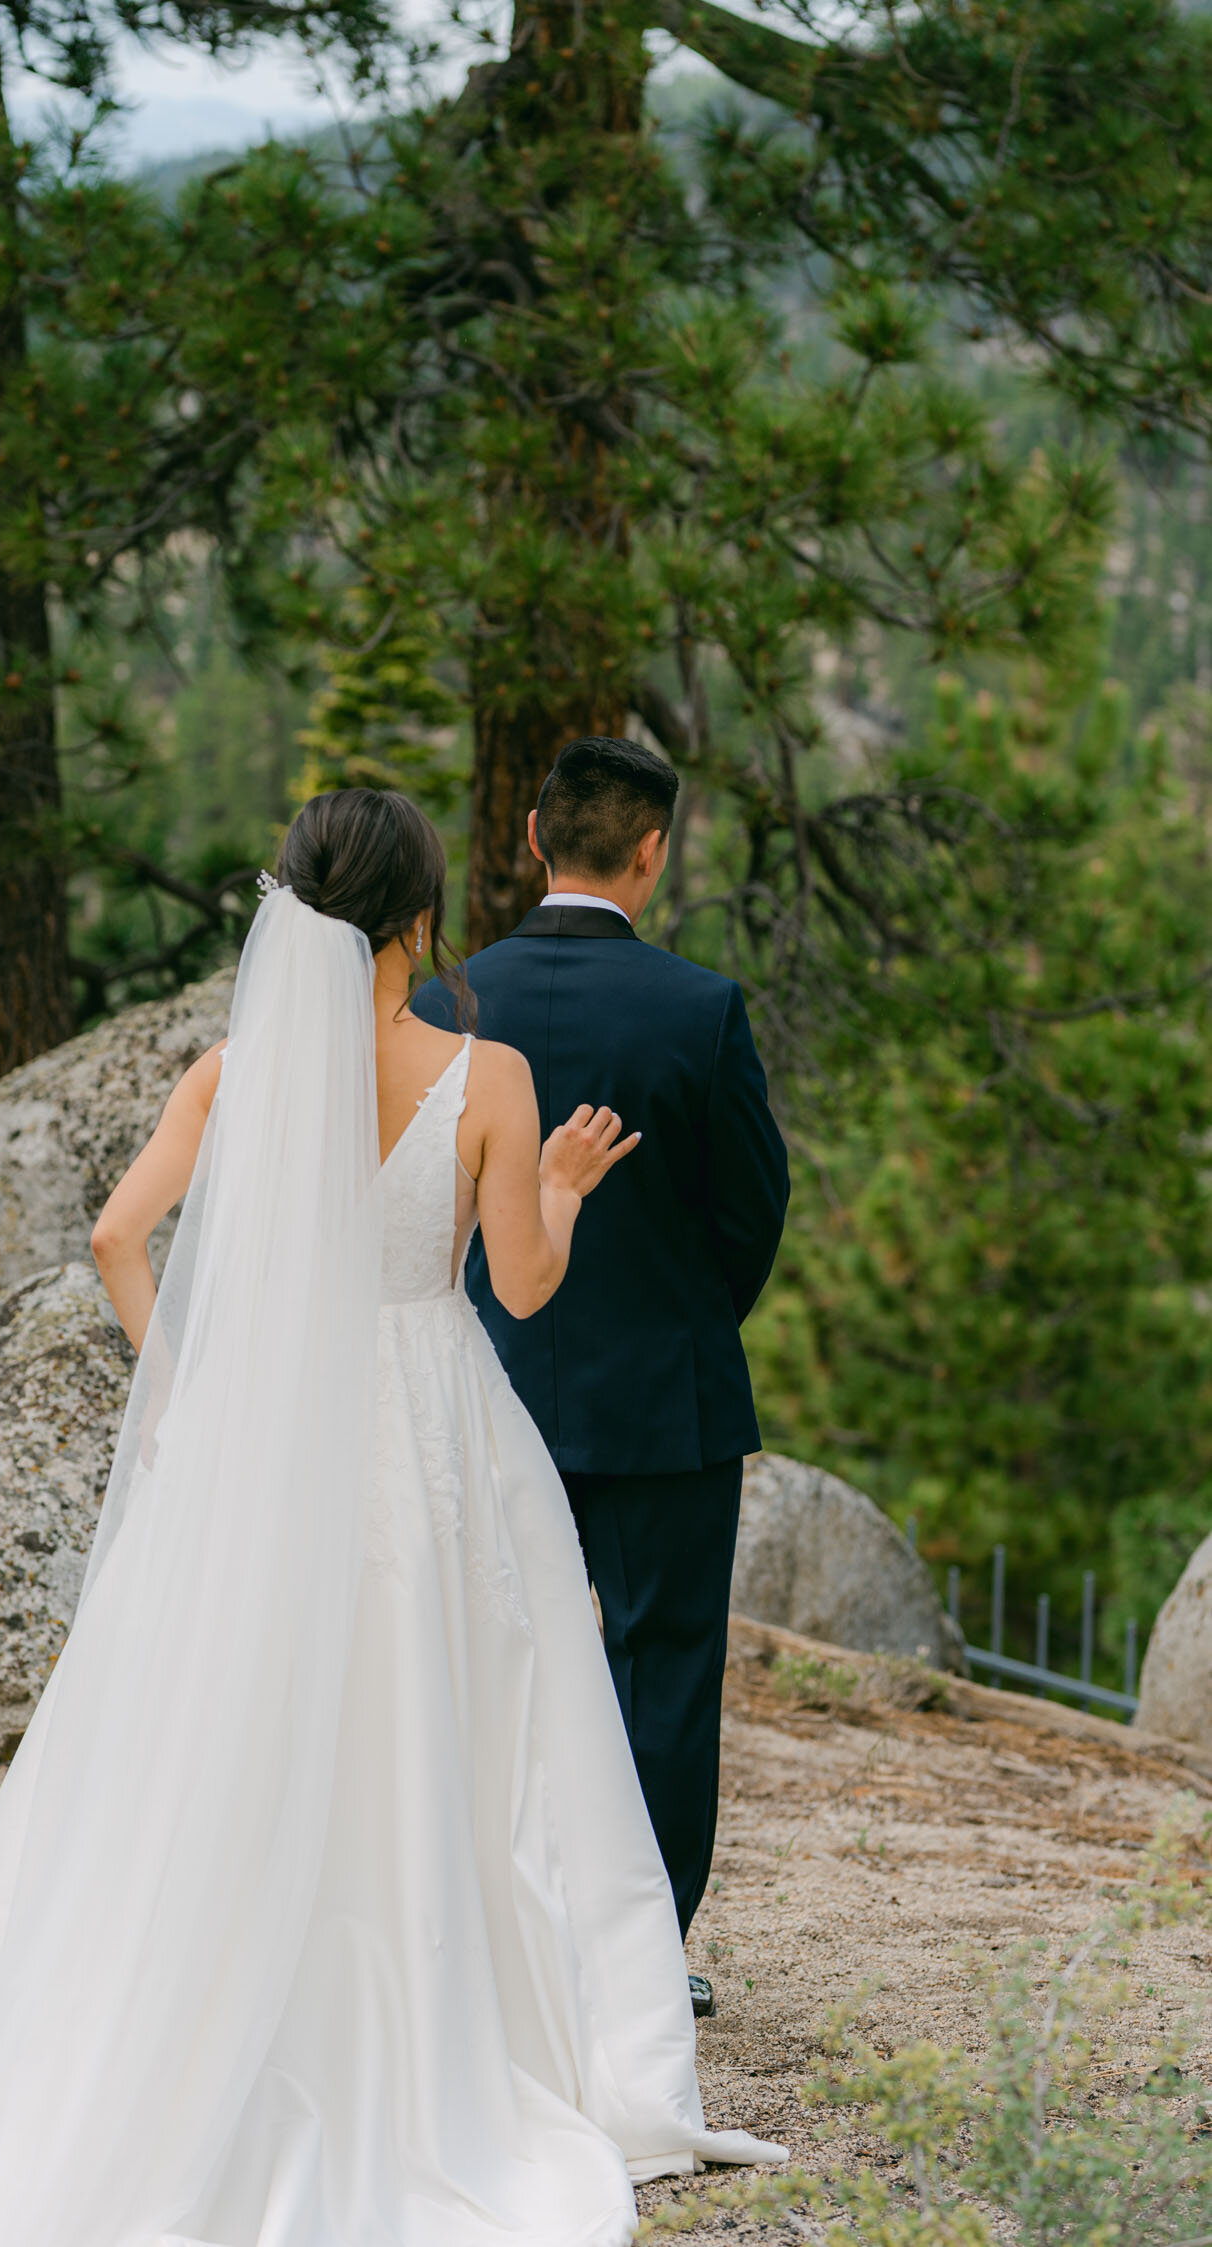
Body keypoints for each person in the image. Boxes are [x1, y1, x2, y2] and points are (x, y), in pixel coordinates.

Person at [0, 788, 783, 2247]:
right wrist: (559, 1185)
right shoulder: (488, 1076)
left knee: (253, 1714)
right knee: (455, 1715)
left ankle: (231, 2003)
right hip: (431, 1423)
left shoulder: (234, 1074)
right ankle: (453, 2015)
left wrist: (188, 1382)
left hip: (274, 1420)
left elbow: (116, 1235)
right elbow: (525, 1288)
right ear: (419, 914)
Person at [413, 738, 790, 2003]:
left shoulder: (443, 1005)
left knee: (479, 1663)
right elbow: (752, 1211)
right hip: (665, 1403)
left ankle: (483, 1944)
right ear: (652, 851)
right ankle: (639, 1961)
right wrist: (684, 1318)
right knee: (665, 1671)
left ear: (531, 837)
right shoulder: (701, 1007)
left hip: (475, 1382)